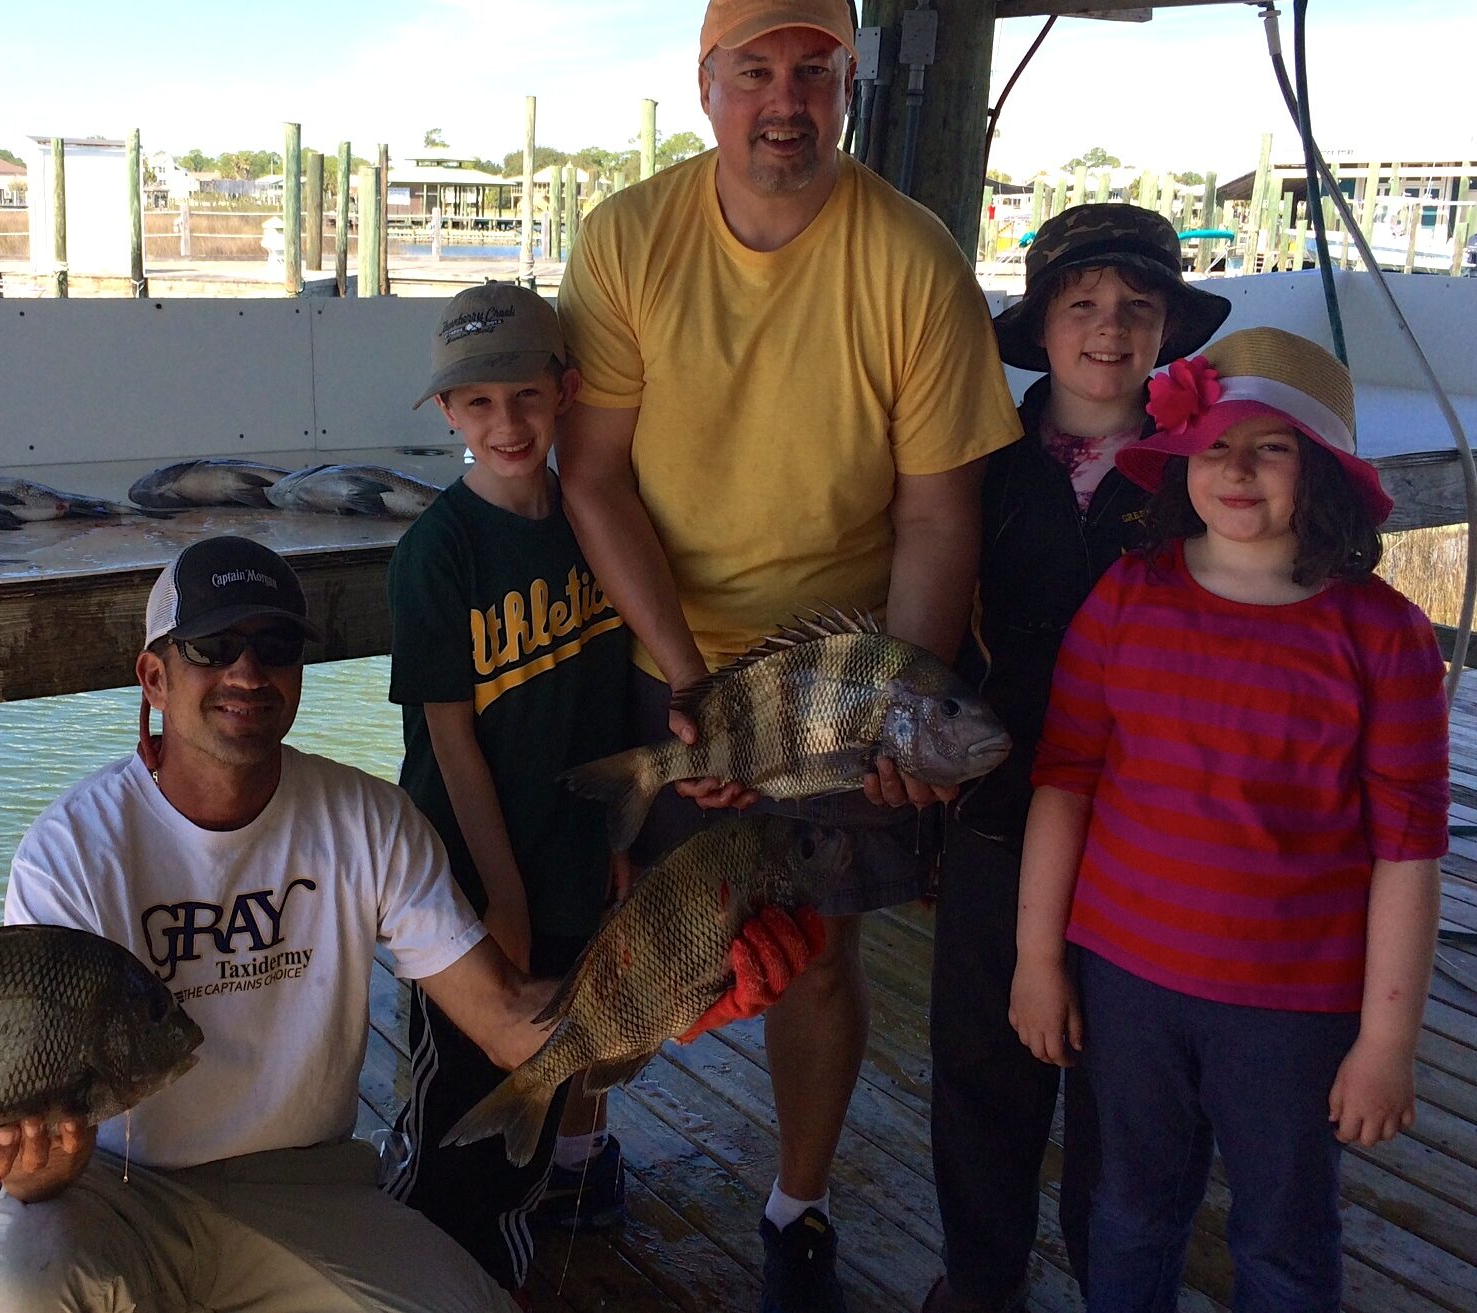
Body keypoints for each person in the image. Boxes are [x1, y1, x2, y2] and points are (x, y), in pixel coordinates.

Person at [555, 2, 1021, 1308]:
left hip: (854, 659)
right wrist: (682, 681)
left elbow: (939, 512)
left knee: (815, 956)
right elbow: (592, 478)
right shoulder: (629, 238)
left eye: (815, 72)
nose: (785, 99)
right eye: (754, 70)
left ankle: (796, 1207)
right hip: (672, 646)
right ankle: (581, 1147)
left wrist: (898, 716)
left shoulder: (914, 258)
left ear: (849, 87)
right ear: (705, 87)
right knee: (640, 930)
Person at [0, 535, 553, 1313]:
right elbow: (43, 1152)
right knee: (14, 1296)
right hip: (112, 1188)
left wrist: (668, 992)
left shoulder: (367, 818)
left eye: (275, 645)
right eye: (213, 644)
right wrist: (33, 1167)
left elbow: (502, 1020)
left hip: (309, 1185)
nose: (247, 671)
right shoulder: (69, 849)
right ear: (154, 676)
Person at [385, 282, 819, 1293]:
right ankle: (424, 1267)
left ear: (569, 392)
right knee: (459, 1100)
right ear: (446, 412)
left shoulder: (593, 528)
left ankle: (513, 1245)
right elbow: (449, 740)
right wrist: (498, 892)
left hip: (576, 854)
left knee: (557, 1072)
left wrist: (615, 842)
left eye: (528, 397)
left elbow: (602, 706)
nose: (507, 423)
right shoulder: (435, 552)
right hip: (467, 874)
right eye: (479, 404)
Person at [1010, 328, 1449, 1311]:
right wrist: (1039, 960)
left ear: (1325, 473)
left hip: (1297, 1008)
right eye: (1212, 445)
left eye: (1273, 446)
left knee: (1287, 1231)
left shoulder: (1384, 634)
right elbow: (1066, 780)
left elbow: (1408, 850)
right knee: (1124, 1210)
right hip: (1126, 982)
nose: (1237, 469)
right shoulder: (1127, 595)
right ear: (1180, 465)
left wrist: (1387, 1042)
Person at [924, 205, 1231, 1313]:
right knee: (981, 1063)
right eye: (1083, 304)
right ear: (1042, 325)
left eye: (1138, 309)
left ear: (1166, 332)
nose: (1110, 329)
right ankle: (981, 1278)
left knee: (1137, 1084)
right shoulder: (976, 462)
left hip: (1160, 831)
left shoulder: (1210, 471)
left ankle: (1122, 1280)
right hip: (999, 806)